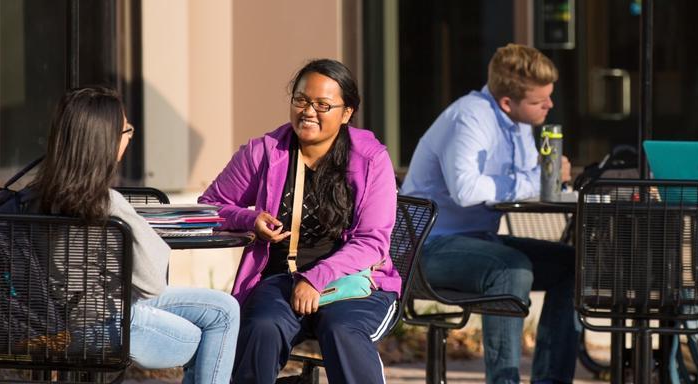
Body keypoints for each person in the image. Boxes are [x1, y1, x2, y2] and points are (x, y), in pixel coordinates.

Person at [198, 59, 399, 383]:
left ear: (346, 113)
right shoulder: (265, 152)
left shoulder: (371, 159)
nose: (308, 111)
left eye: (323, 104)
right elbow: (211, 205)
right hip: (282, 278)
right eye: (301, 100)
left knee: (342, 329)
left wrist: (315, 279)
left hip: (353, 283)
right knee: (262, 326)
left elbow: (372, 241)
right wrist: (250, 219)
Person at [32, 87, 241, 384]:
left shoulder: (31, 198)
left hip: (43, 320)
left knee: (224, 308)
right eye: (127, 130)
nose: (130, 137)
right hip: (103, 326)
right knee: (212, 334)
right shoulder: (107, 204)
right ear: (107, 141)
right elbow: (153, 284)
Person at [401, 43, 578, 384]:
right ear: (508, 102)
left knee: (573, 265)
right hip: (425, 247)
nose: (550, 105)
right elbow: (466, 190)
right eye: (540, 101)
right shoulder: (469, 118)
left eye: (549, 97)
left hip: (476, 241)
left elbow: (529, 184)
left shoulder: (519, 123)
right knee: (511, 269)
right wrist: (534, 179)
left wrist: (552, 182)